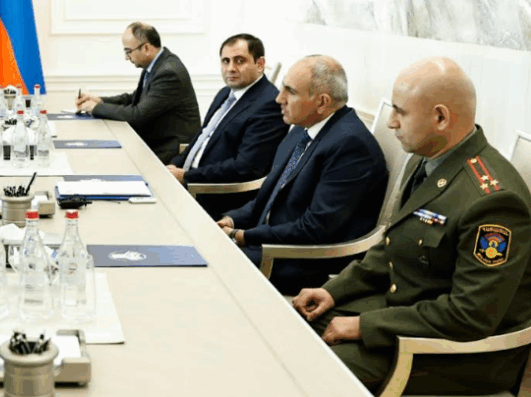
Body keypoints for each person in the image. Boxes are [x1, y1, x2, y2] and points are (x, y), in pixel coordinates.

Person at [293, 58, 531, 394]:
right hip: (408, 312)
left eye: (401, 112)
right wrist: (334, 291)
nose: (391, 122)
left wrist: (364, 326)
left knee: (313, 372)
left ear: (440, 118)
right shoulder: (428, 159)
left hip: (458, 353)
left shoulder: (492, 201)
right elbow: (391, 247)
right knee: (292, 326)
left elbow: (469, 315)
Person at [218, 55, 388, 294]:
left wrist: (244, 235)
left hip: (303, 260)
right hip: (272, 244)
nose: (279, 98)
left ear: (322, 102)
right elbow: (271, 195)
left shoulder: (350, 146)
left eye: (290, 92)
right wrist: (233, 220)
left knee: (213, 263)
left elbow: (315, 228)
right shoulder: (303, 128)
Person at [167, 34, 287, 217]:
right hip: (189, 184)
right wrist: (172, 166)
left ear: (260, 64)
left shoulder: (269, 104)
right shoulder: (226, 93)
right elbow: (201, 139)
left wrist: (186, 177)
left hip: (216, 197)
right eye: (225, 61)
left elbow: (244, 167)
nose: (231, 68)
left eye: (240, 61)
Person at [74, 22, 201, 163]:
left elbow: (137, 115)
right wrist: (100, 100)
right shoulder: (157, 65)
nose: (126, 57)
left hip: (169, 153)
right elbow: (135, 98)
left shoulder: (168, 72)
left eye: (128, 51)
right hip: (154, 144)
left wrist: (95, 108)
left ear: (146, 48)